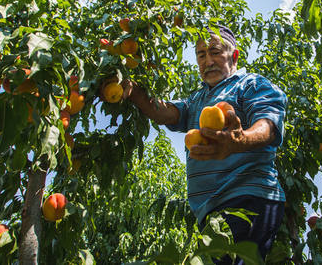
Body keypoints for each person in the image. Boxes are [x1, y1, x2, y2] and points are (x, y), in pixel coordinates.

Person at [121, 24, 287, 264]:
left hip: (248, 196)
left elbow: (268, 126)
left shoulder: (251, 84)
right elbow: (166, 113)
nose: (208, 60)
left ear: (234, 56)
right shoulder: (197, 99)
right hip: (210, 210)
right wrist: (134, 91)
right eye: (201, 54)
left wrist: (240, 140)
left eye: (215, 52)